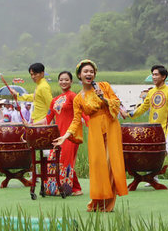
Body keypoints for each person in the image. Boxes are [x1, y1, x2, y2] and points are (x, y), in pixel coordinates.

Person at [54, 60, 128, 212]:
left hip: (111, 125)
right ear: (79, 75)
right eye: (85, 71)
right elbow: (76, 121)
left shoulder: (104, 86)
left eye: (91, 71)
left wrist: (104, 98)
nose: (89, 74)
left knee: (110, 164)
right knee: (98, 165)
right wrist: (65, 135)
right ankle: (98, 200)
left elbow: (116, 102)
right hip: (95, 131)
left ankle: (108, 202)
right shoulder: (78, 98)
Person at [128, 65, 168, 179]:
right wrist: (131, 113)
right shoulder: (151, 92)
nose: (154, 77)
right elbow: (143, 107)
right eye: (153, 74)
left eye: (156, 75)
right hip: (154, 128)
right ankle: (152, 179)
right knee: (152, 154)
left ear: (163, 77)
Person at [46, 71, 83, 196]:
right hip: (58, 136)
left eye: (66, 80)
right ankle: (76, 189)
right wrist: (31, 124)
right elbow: (47, 118)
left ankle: (65, 188)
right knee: (55, 160)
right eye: (61, 79)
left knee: (66, 160)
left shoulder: (74, 96)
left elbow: (83, 114)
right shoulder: (55, 100)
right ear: (58, 81)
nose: (63, 82)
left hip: (70, 136)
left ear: (71, 82)